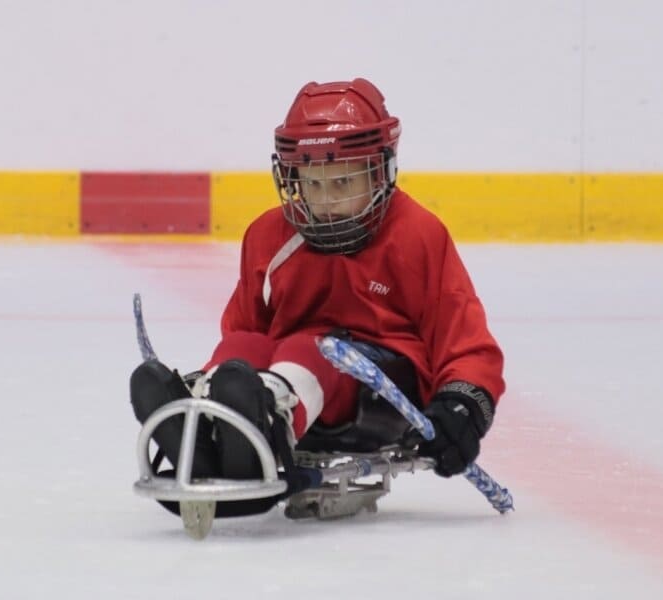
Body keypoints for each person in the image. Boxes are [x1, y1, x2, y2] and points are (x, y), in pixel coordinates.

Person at [131, 78, 504, 488]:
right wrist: (230, 367)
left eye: (342, 183)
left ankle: (269, 422)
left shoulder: (417, 235)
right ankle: (208, 421)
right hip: (301, 375)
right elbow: (244, 329)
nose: (324, 203)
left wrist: (461, 406)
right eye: (312, 184)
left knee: (309, 348)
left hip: (380, 397)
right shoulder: (268, 237)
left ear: (380, 172)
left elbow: (466, 341)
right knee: (245, 348)